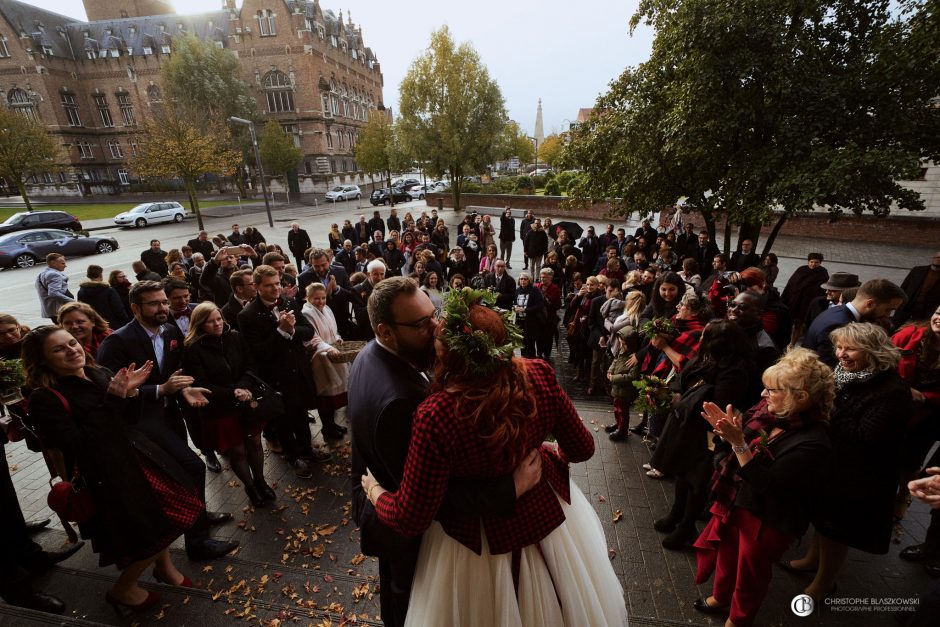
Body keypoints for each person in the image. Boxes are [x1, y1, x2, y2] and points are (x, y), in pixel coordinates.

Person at [360, 287, 627, 626]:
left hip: (477, 544)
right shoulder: (539, 374)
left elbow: (412, 516)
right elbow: (584, 448)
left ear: (447, 354)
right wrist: (546, 447)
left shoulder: (436, 413)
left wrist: (376, 493)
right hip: (547, 521)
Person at [348, 278, 535, 627]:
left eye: (433, 314)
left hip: (385, 509)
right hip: (404, 533)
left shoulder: (371, 354)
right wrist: (510, 488)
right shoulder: (402, 402)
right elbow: (431, 495)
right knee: (412, 605)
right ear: (386, 331)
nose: (436, 328)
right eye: (421, 324)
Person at [23, 326, 200, 612]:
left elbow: (128, 421)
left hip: (137, 461)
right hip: (108, 477)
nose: (72, 349)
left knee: (168, 517)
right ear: (42, 360)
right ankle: (124, 588)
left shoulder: (99, 372)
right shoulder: (45, 398)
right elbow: (78, 444)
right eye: (59, 349)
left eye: (71, 343)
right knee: (153, 530)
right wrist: (114, 399)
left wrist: (129, 395)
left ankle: (165, 569)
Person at [96, 281, 238, 561]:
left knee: (184, 470)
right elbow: (112, 389)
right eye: (154, 303)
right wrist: (161, 390)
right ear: (135, 308)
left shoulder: (171, 331)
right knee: (193, 466)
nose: (163, 307)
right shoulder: (118, 342)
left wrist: (185, 388)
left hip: (170, 415)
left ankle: (196, 514)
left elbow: (175, 373)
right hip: (139, 423)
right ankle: (197, 543)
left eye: (164, 302)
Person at [693, 348, 833, 625]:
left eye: (771, 390)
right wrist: (725, 434)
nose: (762, 395)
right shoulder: (768, 413)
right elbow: (734, 452)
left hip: (768, 518)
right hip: (737, 500)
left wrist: (737, 442)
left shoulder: (814, 443)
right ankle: (720, 596)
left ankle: (739, 618)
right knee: (727, 553)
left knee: (750, 573)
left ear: (800, 397)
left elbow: (765, 484)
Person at [785, 323, 912, 601]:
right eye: (839, 346)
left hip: (859, 474)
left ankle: (824, 582)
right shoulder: (847, 373)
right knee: (822, 519)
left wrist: (827, 409)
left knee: (837, 529)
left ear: (873, 351)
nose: (841, 354)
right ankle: (812, 558)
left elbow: (867, 435)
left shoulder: (892, 391)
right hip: (833, 464)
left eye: (850, 348)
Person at [650, 321, 755, 549]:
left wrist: (686, 400)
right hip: (686, 426)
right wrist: (671, 393)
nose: (699, 339)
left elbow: (718, 404)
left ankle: (687, 527)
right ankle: (675, 515)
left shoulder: (734, 372)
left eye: (705, 336)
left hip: (706, 433)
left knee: (696, 481)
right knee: (681, 473)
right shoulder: (706, 358)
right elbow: (684, 378)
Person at [238, 266, 331, 477]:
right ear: (256, 287)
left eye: (278, 283)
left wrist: (292, 331)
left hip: (298, 371)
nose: (276, 288)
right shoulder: (247, 315)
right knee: (283, 420)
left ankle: (307, 450)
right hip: (275, 377)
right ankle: (293, 457)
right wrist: (280, 331)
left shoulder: (289, 302)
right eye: (269, 285)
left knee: (301, 414)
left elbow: (308, 331)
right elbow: (257, 352)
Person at [183, 302, 275, 508]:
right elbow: (201, 383)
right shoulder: (194, 349)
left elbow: (250, 365)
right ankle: (250, 486)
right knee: (238, 450)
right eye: (210, 322)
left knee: (254, 443)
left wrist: (243, 386)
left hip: (245, 401)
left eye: (219, 319)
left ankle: (260, 480)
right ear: (199, 324)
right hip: (220, 407)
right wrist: (233, 392)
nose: (217, 324)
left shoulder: (235, 337)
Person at [895, 306, 940, 570]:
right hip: (897, 409)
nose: (939, 318)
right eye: (937, 312)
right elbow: (883, 362)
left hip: (929, 418)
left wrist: (928, 399)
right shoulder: (909, 335)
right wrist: (903, 389)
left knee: (914, 462)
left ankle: (902, 499)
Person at [803, 278, 907, 367]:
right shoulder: (839, 325)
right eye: (888, 309)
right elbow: (830, 367)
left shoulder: (838, 311)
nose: (888, 315)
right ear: (870, 303)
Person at [300, 283, 350, 441]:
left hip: (332, 352)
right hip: (320, 357)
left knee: (333, 393)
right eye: (316, 298)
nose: (321, 301)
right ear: (308, 298)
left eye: (323, 298)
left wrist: (338, 339)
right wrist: (326, 347)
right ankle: (327, 428)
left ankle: (332, 424)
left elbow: (333, 330)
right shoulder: (306, 313)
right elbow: (312, 338)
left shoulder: (327, 309)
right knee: (325, 395)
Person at [781, 253, 828, 346]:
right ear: (808, 261)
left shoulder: (823, 274)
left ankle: (792, 344)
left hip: (806, 304)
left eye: (816, 262)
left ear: (820, 263)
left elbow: (822, 291)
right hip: (794, 301)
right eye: (811, 262)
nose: (813, 264)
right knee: (788, 322)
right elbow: (791, 283)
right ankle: (784, 340)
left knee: (799, 324)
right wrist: (785, 298)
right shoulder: (801, 270)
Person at [894, 251, 940, 326]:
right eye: (937, 257)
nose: (939, 259)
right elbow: (904, 286)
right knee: (894, 326)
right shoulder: (918, 270)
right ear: (933, 259)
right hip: (906, 306)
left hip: (927, 311)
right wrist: (898, 303)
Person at [77, 265, 129, 330]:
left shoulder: (81, 292)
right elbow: (119, 310)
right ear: (100, 274)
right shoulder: (108, 290)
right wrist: (127, 322)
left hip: (95, 327)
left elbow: (82, 310)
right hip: (113, 326)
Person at [513, 272, 545, 359]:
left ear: (529, 280)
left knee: (530, 345)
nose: (523, 281)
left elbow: (540, 305)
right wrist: (515, 307)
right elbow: (515, 302)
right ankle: (524, 362)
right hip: (520, 321)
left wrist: (525, 310)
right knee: (522, 344)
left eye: (525, 279)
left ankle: (531, 363)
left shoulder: (534, 290)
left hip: (531, 322)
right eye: (521, 279)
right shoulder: (517, 290)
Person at [35, 253, 74, 323]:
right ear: (53, 263)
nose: (65, 265)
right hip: (58, 309)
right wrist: (71, 301)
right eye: (62, 263)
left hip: (53, 310)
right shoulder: (53, 274)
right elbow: (53, 293)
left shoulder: (42, 274)